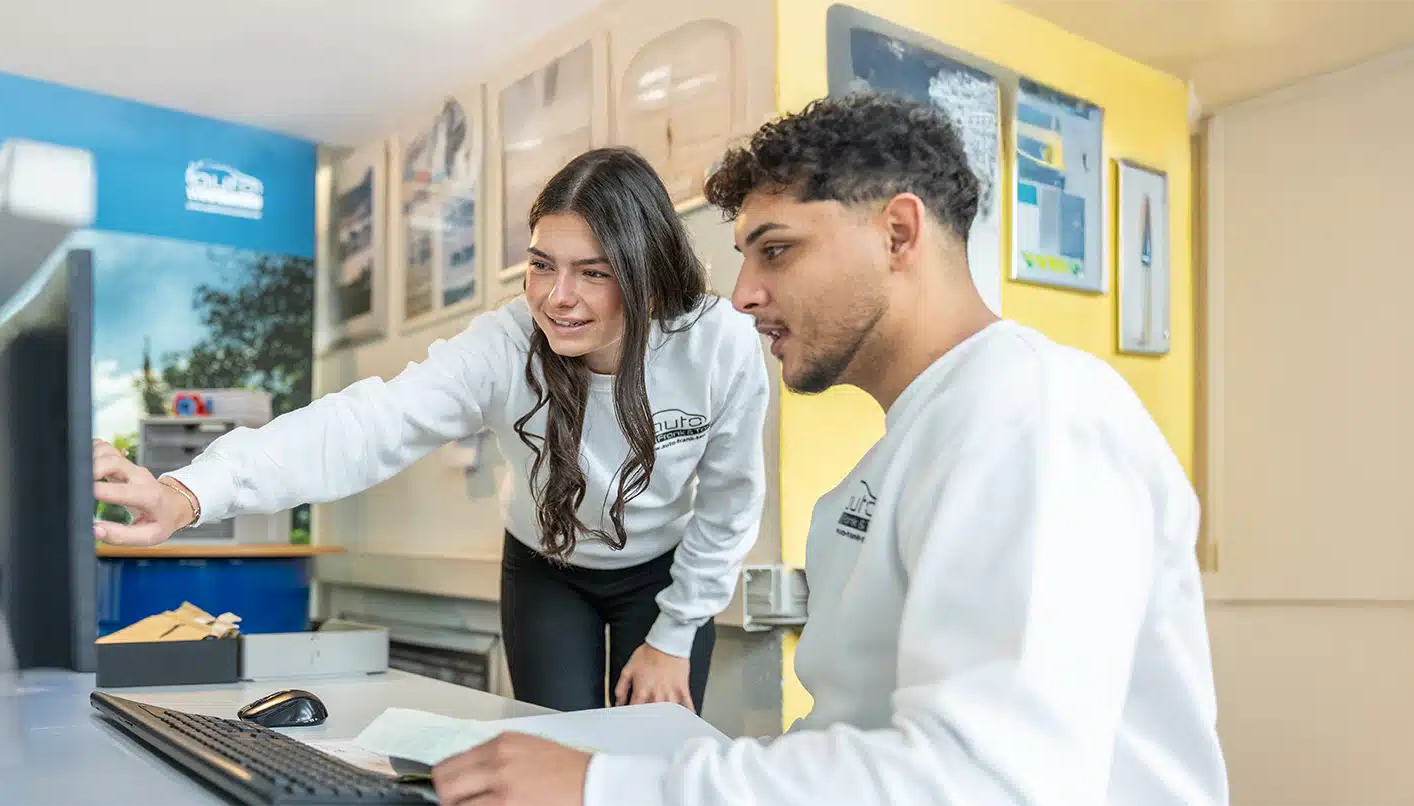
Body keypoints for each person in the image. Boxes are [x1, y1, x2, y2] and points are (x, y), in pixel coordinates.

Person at [430, 93, 1229, 806]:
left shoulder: (1034, 417)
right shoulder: (893, 464)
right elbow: (856, 747)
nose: (742, 294)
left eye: (775, 250)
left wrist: (605, 786)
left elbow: (986, 782)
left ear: (897, 233)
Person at [91, 147, 770, 714]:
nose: (557, 297)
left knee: (650, 752)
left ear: (646, 274)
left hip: (663, 572)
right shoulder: (505, 343)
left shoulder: (717, 342)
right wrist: (189, 492)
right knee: (556, 743)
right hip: (547, 570)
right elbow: (368, 424)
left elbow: (729, 500)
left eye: (592, 273)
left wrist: (676, 632)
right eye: (541, 265)